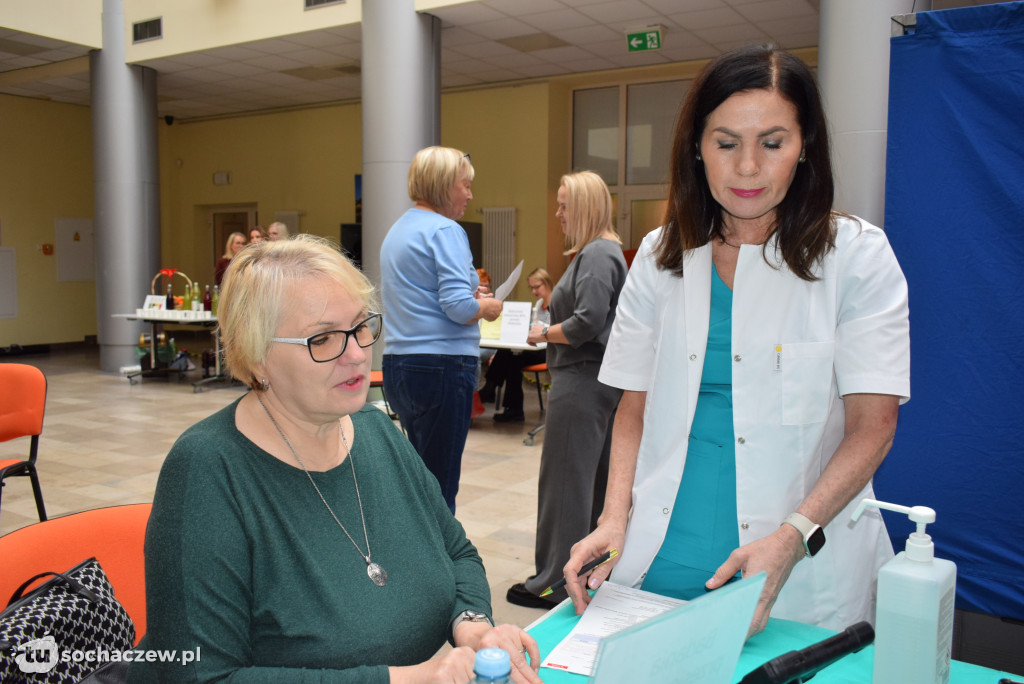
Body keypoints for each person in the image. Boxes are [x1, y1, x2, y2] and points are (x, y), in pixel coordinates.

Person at [562, 44, 910, 635]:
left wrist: (793, 537)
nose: (748, 166)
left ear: (804, 150)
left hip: (794, 569)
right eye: (726, 143)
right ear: (697, 148)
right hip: (660, 557)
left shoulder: (857, 256)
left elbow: (872, 426)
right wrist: (614, 517)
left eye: (773, 143)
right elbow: (634, 406)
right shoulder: (658, 255)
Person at [128, 235, 540, 684]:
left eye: (361, 326)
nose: (359, 354)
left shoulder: (376, 430)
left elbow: (456, 553)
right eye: (323, 338)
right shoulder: (208, 470)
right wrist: (406, 680)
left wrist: (473, 627)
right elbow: (195, 678)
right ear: (257, 352)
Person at [506, 172, 627, 608]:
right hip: (597, 383)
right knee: (590, 486)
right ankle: (586, 571)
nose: (557, 214)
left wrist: (544, 332)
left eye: (563, 205)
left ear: (584, 206)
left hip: (579, 381)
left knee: (564, 486)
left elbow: (588, 320)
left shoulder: (596, 254)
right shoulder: (603, 252)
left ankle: (553, 582)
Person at [380, 146, 502, 513]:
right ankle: (438, 568)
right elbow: (459, 308)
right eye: (465, 185)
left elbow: (425, 293)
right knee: (440, 489)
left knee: (419, 479)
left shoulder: (398, 230)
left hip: (400, 365)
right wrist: (487, 306)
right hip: (443, 367)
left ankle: (415, 558)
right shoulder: (446, 230)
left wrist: (468, 295)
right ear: (446, 185)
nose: (469, 195)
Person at [481, 268, 554, 422]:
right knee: (511, 356)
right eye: (531, 287)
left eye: (537, 287)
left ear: (547, 284)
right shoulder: (540, 304)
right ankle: (512, 408)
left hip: (549, 350)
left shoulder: (555, 303)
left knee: (511, 358)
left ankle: (492, 389)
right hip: (536, 347)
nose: (534, 291)